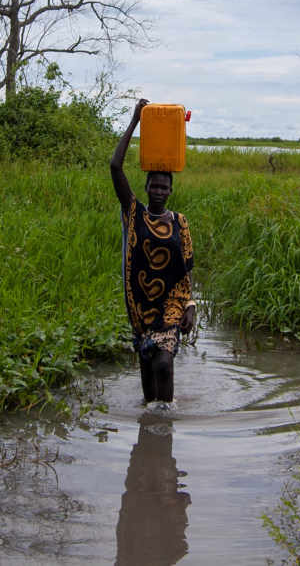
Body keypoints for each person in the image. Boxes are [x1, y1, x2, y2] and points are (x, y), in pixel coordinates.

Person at [111, 98, 197, 406]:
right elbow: (114, 166)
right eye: (155, 187)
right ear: (146, 187)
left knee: (163, 363)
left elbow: (186, 269)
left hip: (170, 307)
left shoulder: (180, 223)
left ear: (171, 191)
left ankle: (167, 420)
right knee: (147, 373)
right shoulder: (134, 214)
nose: (159, 192)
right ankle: (151, 428)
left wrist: (190, 305)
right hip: (141, 308)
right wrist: (135, 120)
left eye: (165, 188)